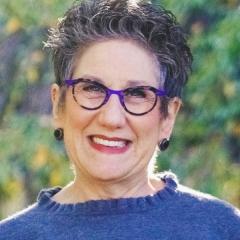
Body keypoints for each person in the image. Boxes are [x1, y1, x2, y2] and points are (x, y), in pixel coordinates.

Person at [0, 0, 240, 239]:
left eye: (137, 94)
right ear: (58, 105)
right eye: (92, 87)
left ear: (168, 117)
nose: (112, 118)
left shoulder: (223, 229)